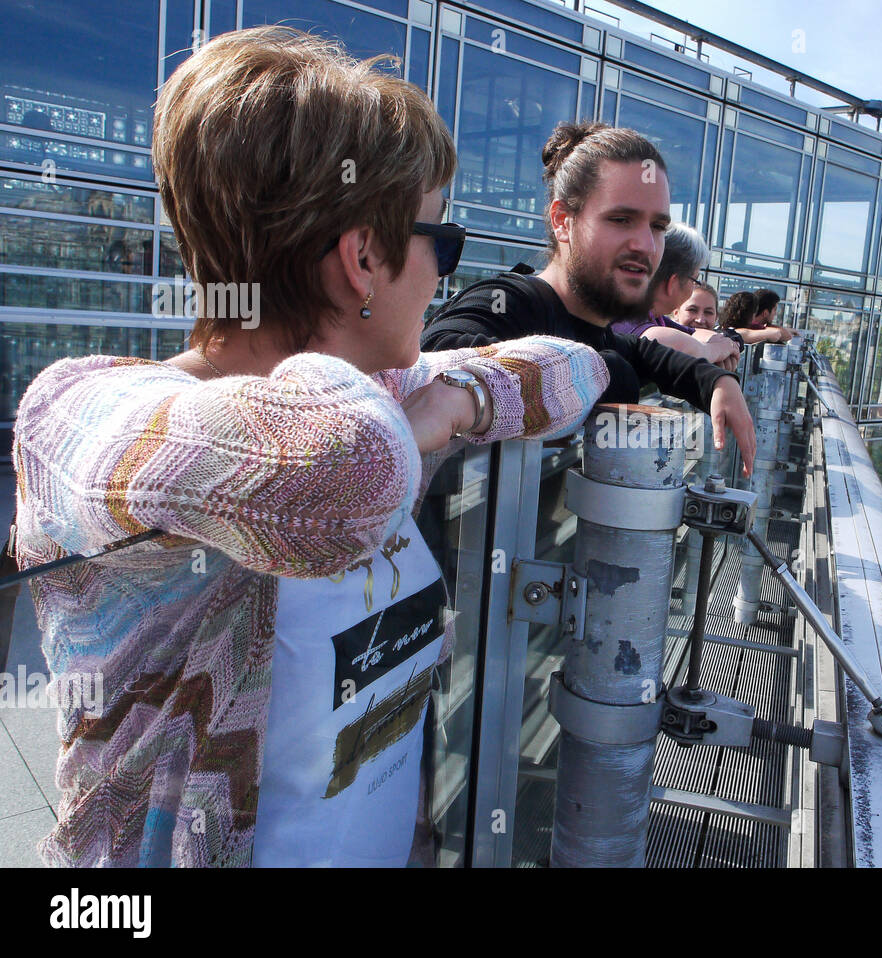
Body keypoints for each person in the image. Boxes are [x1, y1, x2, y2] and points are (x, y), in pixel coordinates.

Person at [10, 26, 609, 867]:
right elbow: (345, 471)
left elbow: (576, 369)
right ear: (363, 257)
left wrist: (455, 400)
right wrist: (416, 416)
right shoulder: (82, 410)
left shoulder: (386, 398)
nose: (444, 276)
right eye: (442, 242)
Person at [423, 122, 755, 474]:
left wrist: (716, 381)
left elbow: (643, 352)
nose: (646, 244)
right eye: (621, 219)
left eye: (658, 226)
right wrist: (612, 373)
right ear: (562, 221)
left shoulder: (595, 326)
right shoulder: (507, 301)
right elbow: (434, 359)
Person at [608, 222, 738, 372]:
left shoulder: (651, 316)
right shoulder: (632, 321)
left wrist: (718, 345)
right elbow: (685, 349)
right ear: (673, 282)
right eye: (694, 280)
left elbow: (693, 333)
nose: (694, 286)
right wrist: (717, 350)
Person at [719, 289, 792, 345]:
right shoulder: (737, 332)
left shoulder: (722, 329)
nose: (776, 314)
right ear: (765, 313)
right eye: (775, 310)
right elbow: (778, 334)